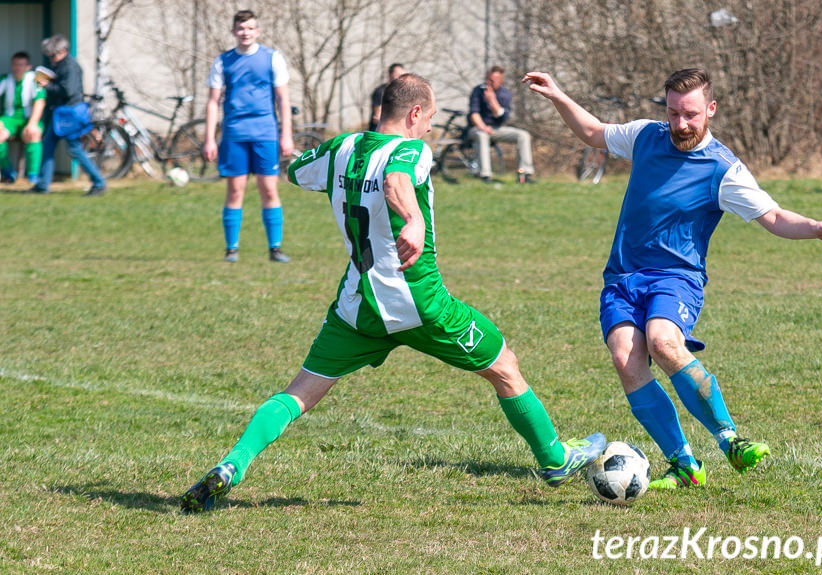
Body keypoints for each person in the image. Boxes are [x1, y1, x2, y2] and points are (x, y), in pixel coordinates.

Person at [180, 74, 606, 512]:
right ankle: (555, 460)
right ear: (414, 113)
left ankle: (232, 465)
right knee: (504, 367)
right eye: (430, 118)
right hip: (421, 305)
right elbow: (396, 181)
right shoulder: (411, 149)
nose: (429, 128)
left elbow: (294, 171)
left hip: (357, 307)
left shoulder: (339, 148)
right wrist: (412, 219)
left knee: (299, 394)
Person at [524, 68, 822, 490]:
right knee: (626, 358)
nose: (680, 124)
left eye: (690, 114)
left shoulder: (722, 169)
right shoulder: (646, 136)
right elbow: (593, 132)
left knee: (662, 342)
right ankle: (685, 465)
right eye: (674, 113)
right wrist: (557, 94)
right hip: (622, 275)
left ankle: (730, 438)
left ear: (710, 109)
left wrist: (814, 225)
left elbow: (773, 216)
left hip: (676, 278)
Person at [204, 9, 294, 263]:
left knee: (268, 188)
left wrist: (286, 134)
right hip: (234, 134)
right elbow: (212, 102)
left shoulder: (272, 58)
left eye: (250, 28)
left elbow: (283, 100)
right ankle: (231, 249)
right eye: (241, 29)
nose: (245, 33)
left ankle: (275, 248)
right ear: (234, 32)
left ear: (258, 31)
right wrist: (210, 138)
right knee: (235, 190)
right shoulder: (222, 61)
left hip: (265, 133)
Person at [30, 35, 106, 196]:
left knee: (75, 149)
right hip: (59, 114)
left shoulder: (70, 67)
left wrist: (47, 85)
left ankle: (99, 182)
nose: (50, 59)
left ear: (63, 51)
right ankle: (43, 185)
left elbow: (68, 91)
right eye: (48, 56)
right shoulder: (60, 65)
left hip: (69, 115)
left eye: (52, 55)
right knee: (48, 145)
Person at [468, 65, 535, 183]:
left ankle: (524, 174)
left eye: (492, 81)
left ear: (501, 81)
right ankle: (485, 175)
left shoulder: (505, 94)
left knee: (523, 135)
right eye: (487, 79)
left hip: (496, 128)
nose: (488, 83)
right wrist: (483, 127)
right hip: (477, 128)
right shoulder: (478, 91)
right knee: (482, 135)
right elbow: (474, 113)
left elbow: (502, 117)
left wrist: (492, 100)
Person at [0, 52, 45, 184]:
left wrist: (32, 124)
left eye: (21, 65)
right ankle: (7, 171)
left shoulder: (35, 80)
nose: (17, 68)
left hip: (29, 118)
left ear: (28, 66)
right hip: (10, 118)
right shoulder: (5, 79)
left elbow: (40, 102)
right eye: (15, 64)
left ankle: (33, 175)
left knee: (33, 134)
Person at [368, 62, 404, 131]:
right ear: (390, 75)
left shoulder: (402, 92)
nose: (401, 78)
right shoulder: (381, 91)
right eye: (398, 75)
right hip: (379, 132)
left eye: (403, 75)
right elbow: (377, 117)